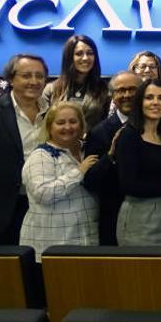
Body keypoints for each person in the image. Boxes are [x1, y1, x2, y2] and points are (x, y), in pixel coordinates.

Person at [20, 102, 99, 259]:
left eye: (73, 121)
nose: (68, 127)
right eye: (61, 123)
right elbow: (43, 194)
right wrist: (79, 172)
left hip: (87, 240)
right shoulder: (41, 156)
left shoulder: (89, 150)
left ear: (81, 124)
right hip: (50, 245)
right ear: (49, 127)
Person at [115, 79, 161, 249]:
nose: (156, 102)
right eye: (149, 97)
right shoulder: (129, 136)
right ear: (140, 102)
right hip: (138, 218)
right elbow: (128, 184)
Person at [82, 71, 142, 246]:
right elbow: (90, 181)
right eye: (120, 90)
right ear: (113, 96)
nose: (127, 95)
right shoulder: (99, 132)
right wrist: (110, 156)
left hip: (153, 217)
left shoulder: (157, 127)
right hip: (113, 219)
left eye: (133, 89)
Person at [0, 54, 48, 245]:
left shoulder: (52, 112)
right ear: (11, 78)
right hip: (6, 207)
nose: (34, 81)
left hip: (45, 205)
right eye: (26, 76)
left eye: (40, 76)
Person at [42, 35, 109, 133]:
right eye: (79, 54)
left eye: (90, 53)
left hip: (93, 146)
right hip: (58, 145)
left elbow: (107, 124)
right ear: (69, 57)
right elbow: (42, 124)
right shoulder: (51, 89)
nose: (85, 58)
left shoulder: (104, 89)